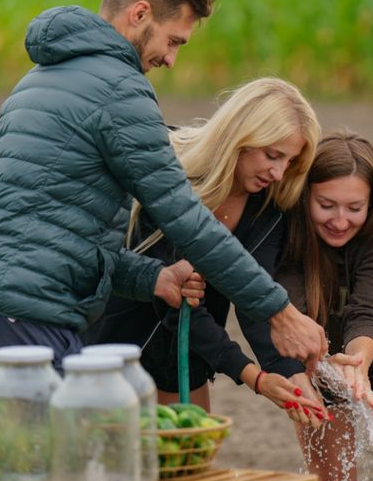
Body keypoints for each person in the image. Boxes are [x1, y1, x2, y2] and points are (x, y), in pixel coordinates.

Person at [0, 0, 326, 394]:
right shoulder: (120, 90)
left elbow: (59, 236)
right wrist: (280, 312)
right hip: (30, 322)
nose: (171, 59)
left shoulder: (39, 79)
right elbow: (185, 218)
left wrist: (153, 278)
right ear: (140, 13)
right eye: (173, 40)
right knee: (55, 460)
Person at [83, 77, 327, 425]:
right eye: (273, 155)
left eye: (289, 161)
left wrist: (291, 375)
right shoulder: (168, 176)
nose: (278, 172)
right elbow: (169, 303)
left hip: (186, 356)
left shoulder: (268, 208)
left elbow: (257, 299)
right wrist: (251, 376)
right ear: (239, 137)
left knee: (190, 462)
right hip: (114, 347)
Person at [272, 130, 373, 481]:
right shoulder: (286, 228)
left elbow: (370, 307)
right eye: (326, 206)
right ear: (305, 196)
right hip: (312, 359)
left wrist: (358, 361)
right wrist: (321, 365)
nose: (340, 221)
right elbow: (292, 315)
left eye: (354, 208)